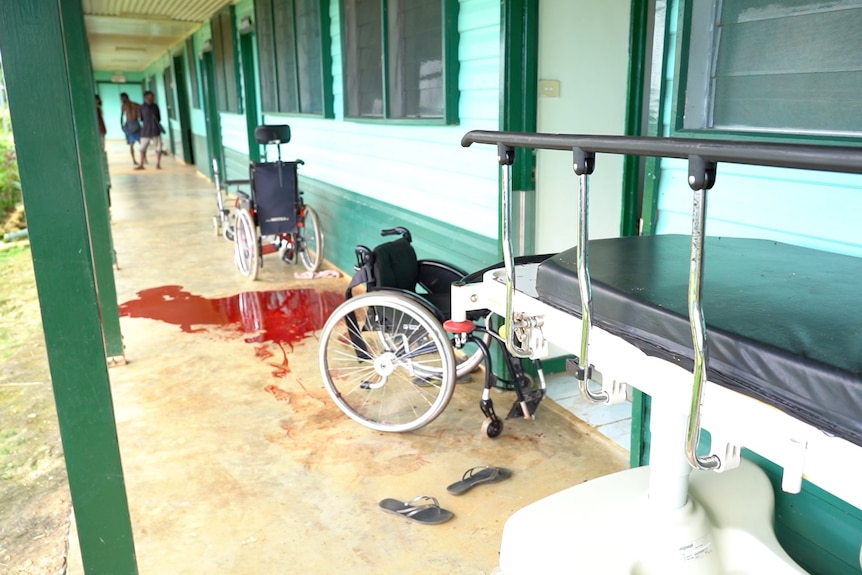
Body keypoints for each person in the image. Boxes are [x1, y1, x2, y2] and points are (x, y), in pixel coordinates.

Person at [137, 90, 163, 170]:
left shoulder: (155, 106)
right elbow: (141, 118)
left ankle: (158, 164)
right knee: (142, 148)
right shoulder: (142, 107)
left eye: (152, 97)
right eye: (150, 97)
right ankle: (141, 164)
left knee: (158, 148)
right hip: (146, 131)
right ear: (146, 98)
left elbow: (158, 118)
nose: (152, 98)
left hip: (154, 130)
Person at [120, 92, 141, 165]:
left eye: (122, 98)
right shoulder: (133, 104)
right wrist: (122, 125)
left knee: (141, 142)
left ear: (125, 97)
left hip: (133, 124)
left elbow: (122, 116)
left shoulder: (134, 105)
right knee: (132, 144)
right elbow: (122, 116)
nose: (121, 100)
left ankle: (142, 159)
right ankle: (134, 160)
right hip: (130, 124)